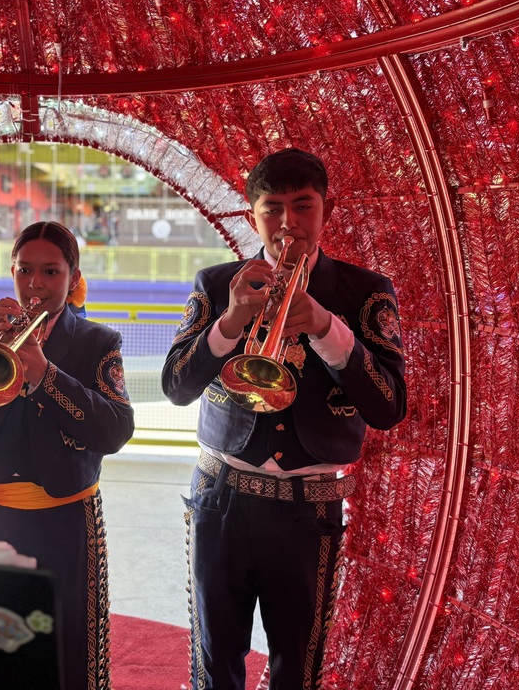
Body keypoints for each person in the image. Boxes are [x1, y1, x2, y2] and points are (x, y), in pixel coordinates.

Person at [162, 148, 407, 690]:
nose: (288, 224)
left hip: (308, 510)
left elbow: (389, 406)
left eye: (303, 206)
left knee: (298, 665)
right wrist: (230, 323)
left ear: (328, 209)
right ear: (252, 214)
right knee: (214, 656)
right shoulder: (217, 282)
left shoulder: (364, 292)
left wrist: (326, 327)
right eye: (272, 208)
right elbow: (176, 386)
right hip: (220, 497)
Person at [0, 221, 133, 690]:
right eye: (25, 271)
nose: (35, 284)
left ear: (73, 278)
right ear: (11, 271)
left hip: (62, 517)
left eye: (51, 272)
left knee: (63, 639)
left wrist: (46, 376)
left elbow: (115, 431)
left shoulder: (98, 341)